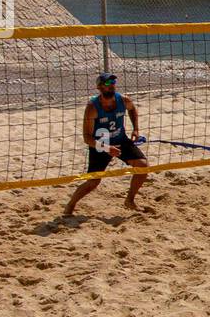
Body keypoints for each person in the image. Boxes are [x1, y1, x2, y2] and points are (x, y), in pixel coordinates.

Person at [63, 73, 149, 215]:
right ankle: (71, 205)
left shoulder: (123, 99)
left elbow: (132, 109)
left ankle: (130, 200)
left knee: (143, 166)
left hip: (121, 141)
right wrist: (106, 148)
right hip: (100, 145)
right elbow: (87, 138)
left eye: (113, 83)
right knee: (93, 182)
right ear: (99, 87)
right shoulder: (92, 107)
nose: (111, 86)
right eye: (108, 84)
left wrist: (136, 129)